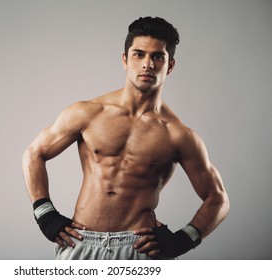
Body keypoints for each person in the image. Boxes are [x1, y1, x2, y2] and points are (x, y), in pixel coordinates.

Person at [23, 16, 229, 260]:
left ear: (170, 66)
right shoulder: (87, 113)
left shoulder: (178, 135)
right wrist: (45, 213)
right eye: (139, 54)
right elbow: (34, 153)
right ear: (125, 60)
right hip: (81, 242)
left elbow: (218, 199)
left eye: (157, 57)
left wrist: (183, 240)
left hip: (140, 249)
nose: (147, 64)